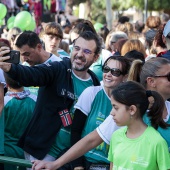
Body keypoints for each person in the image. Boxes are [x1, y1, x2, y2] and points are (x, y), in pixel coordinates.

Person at [32, 57, 170, 170]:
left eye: (115, 71)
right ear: (151, 81)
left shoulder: (156, 136)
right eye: (169, 76)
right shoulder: (129, 115)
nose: (112, 112)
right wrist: (56, 164)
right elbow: (91, 139)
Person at [0, 31, 101, 163]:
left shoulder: (95, 84)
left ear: (96, 57)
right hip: (43, 151)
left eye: (87, 51)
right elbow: (32, 75)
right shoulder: (58, 68)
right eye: (76, 48)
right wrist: (11, 68)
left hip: (71, 155)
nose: (80, 54)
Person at [71, 56, 130, 170]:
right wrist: (77, 165)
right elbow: (75, 131)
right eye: (106, 69)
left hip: (113, 165)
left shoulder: (128, 102)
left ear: (125, 77)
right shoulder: (91, 93)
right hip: (86, 162)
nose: (108, 74)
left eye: (115, 72)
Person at [108, 81, 170, 169]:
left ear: (132, 109)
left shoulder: (157, 142)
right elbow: (112, 166)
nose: (111, 113)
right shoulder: (116, 136)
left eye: (116, 108)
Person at [2, 73, 37, 170]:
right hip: (28, 153)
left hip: (7, 153)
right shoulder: (35, 100)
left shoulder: (3, 102)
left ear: (6, 84)